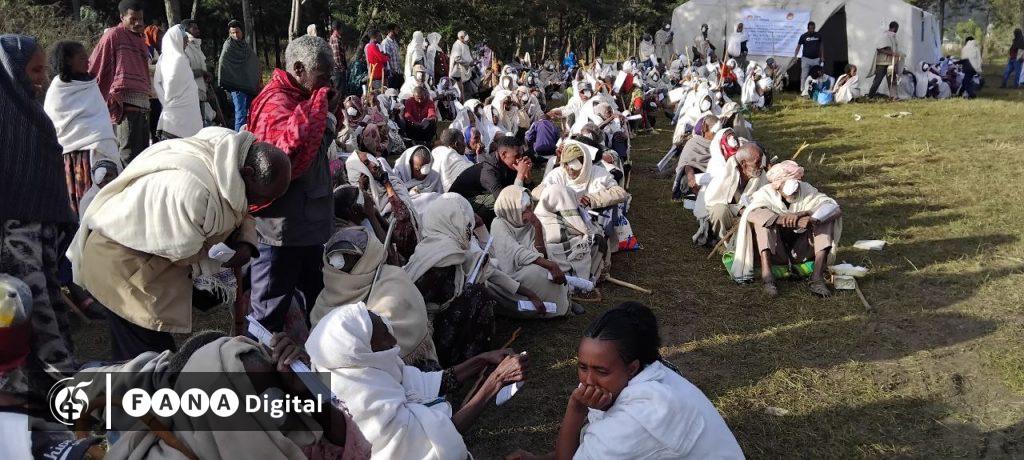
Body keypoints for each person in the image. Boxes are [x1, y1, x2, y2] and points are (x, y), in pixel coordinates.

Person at [68, 128, 290, 359]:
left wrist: (245, 241)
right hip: (120, 268)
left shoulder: (229, 151)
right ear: (248, 173)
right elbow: (187, 253)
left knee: (136, 350)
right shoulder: (196, 195)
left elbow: (241, 210)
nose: (262, 205)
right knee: (151, 360)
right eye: (262, 198)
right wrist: (232, 253)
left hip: (141, 260)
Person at [74, 331, 368, 458]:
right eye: (264, 401)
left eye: (279, 392)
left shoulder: (286, 437)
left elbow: (352, 451)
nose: (284, 411)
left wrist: (306, 395)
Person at [508, 302, 744, 460]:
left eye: (601, 371)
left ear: (631, 368)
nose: (587, 380)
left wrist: (576, 408)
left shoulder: (641, 415)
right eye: (582, 367)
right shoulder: (647, 372)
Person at [306, 304, 528, 459]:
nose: (393, 341)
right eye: (384, 336)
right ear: (360, 349)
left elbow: (428, 383)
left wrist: (482, 359)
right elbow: (435, 442)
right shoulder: (359, 401)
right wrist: (496, 380)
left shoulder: (358, 368)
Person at [246, 36, 338, 333]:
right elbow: (284, 164)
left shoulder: (303, 100)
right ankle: (256, 359)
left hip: (305, 225)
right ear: (299, 69)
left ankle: (313, 353)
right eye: (322, 77)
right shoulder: (277, 104)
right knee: (268, 312)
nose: (327, 85)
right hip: (281, 231)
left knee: (318, 302)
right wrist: (325, 120)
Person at [0, 34, 79, 377]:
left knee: (47, 295)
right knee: (27, 303)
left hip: (41, 228)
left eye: (44, 70)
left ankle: (53, 372)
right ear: (12, 71)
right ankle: (51, 374)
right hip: (13, 235)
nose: (42, 78)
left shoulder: (28, 113)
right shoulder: (6, 115)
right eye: (35, 70)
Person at [403, 194, 526, 365]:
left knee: (475, 292)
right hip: (427, 338)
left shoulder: (428, 246)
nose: (468, 228)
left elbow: (487, 269)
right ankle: (470, 360)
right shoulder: (446, 256)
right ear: (453, 222)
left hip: (414, 333)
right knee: (478, 295)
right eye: (465, 223)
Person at [311, 226, 438, 368]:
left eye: (349, 254)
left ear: (368, 256)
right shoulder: (328, 294)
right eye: (334, 255)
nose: (339, 262)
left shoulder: (395, 284)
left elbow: (392, 340)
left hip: (401, 371)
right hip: (341, 376)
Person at [732, 161, 842, 298]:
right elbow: (750, 211)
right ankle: (768, 278)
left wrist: (808, 215)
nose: (795, 191)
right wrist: (783, 220)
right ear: (777, 186)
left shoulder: (806, 189)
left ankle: (817, 279)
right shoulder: (765, 193)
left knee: (823, 220)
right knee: (763, 223)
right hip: (777, 252)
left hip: (802, 251)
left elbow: (833, 207)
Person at [44, 41, 122, 216]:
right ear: (67, 61)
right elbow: (54, 124)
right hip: (75, 158)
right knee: (83, 209)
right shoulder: (58, 91)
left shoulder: (90, 85)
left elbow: (100, 116)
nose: (88, 60)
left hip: (100, 152)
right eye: (81, 57)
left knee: (105, 206)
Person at [491, 185, 572, 317]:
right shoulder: (499, 223)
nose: (529, 212)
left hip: (529, 265)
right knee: (539, 272)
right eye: (525, 209)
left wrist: (538, 227)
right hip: (509, 272)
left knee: (545, 271)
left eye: (530, 207)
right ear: (512, 208)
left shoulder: (530, 223)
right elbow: (516, 253)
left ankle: (563, 305)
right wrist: (549, 265)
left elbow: (541, 254)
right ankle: (554, 308)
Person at [88, 0, 152, 165]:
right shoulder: (114, 35)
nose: (138, 23)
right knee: (128, 156)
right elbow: (96, 63)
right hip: (125, 107)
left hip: (143, 106)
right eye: (133, 19)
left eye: (140, 19)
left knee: (143, 156)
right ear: (122, 17)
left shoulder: (141, 39)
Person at [693, 143, 767, 246]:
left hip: (747, 213)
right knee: (719, 211)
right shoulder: (724, 172)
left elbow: (764, 198)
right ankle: (721, 239)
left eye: (761, 161)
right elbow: (713, 201)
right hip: (727, 213)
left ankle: (740, 241)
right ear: (744, 164)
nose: (761, 165)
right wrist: (738, 210)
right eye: (757, 162)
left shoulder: (760, 173)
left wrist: (749, 210)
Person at [448, 135, 533, 224]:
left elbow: (526, 192)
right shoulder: (489, 170)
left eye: (521, 155)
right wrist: (520, 174)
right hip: (458, 206)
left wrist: (527, 175)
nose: (520, 159)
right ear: (504, 154)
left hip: (477, 198)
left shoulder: (508, 163)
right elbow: (505, 202)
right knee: (496, 200)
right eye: (517, 156)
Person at [152, 24, 202, 140]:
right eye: (184, 39)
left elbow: (158, 84)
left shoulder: (163, 59)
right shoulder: (179, 60)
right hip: (180, 120)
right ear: (176, 39)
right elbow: (173, 89)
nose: (187, 42)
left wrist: (166, 103)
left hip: (171, 117)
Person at [218, 19, 261, 131]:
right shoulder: (228, 46)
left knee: (251, 112)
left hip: (248, 85)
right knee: (240, 113)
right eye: (232, 33)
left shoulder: (245, 45)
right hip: (236, 86)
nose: (235, 35)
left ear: (242, 32)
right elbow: (223, 63)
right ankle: (237, 137)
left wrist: (255, 78)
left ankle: (250, 135)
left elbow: (254, 63)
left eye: (237, 32)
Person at [181, 19, 219, 127]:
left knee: (202, 123)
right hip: (190, 92)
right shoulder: (185, 47)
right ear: (186, 30)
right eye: (194, 28)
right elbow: (185, 72)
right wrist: (202, 73)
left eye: (197, 28)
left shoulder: (196, 46)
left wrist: (206, 76)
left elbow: (201, 66)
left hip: (201, 90)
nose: (198, 30)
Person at [671, 115, 717, 201]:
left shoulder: (720, 143)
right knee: (686, 181)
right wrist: (690, 176)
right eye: (714, 131)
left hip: (714, 178)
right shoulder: (693, 143)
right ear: (705, 128)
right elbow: (687, 163)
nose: (716, 133)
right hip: (695, 178)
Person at [868, 21, 902, 98]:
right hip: (882, 63)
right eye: (897, 28)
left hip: (890, 62)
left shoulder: (893, 37)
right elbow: (880, 49)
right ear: (894, 28)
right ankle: (870, 96)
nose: (897, 30)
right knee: (878, 80)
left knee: (892, 79)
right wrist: (892, 53)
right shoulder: (885, 36)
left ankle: (894, 97)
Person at [795, 22, 824, 97]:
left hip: (816, 59)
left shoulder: (818, 35)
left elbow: (821, 46)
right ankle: (803, 91)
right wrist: (795, 56)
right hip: (806, 59)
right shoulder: (803, 36)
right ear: (807, 28)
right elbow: (798, 46)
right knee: (804, 75)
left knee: (817, 74)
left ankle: (817, 90)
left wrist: (822, 56)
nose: (812, 30)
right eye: (810, 28)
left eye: (813, 28)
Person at [449, 31, 474, 98]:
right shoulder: (457, 45)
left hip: (465, 71)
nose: (467, 38)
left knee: (468, 90)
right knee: (464, 91)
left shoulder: (463, 44)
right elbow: (457, 58)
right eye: (465, 37)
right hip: (459, 72)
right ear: (461, 37)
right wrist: (468, 63)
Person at [382, 23, 402, 89]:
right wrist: (391, 71)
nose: (398, 31)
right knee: (392, 92)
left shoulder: (395, 42)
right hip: (391, 75)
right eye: (396, 29)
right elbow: (386, 59)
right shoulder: (385, 43)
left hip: (398, 72)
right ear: (391, 30)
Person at [329, 21, 347, 91]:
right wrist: (342, 68)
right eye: (341, 28)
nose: (342, 30)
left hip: (336, 69)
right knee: (339, 90)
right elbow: (337, 56)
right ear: (338, 29)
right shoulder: (335, 39)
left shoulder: (333, 38)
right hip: (338, 70)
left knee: (338, 89)